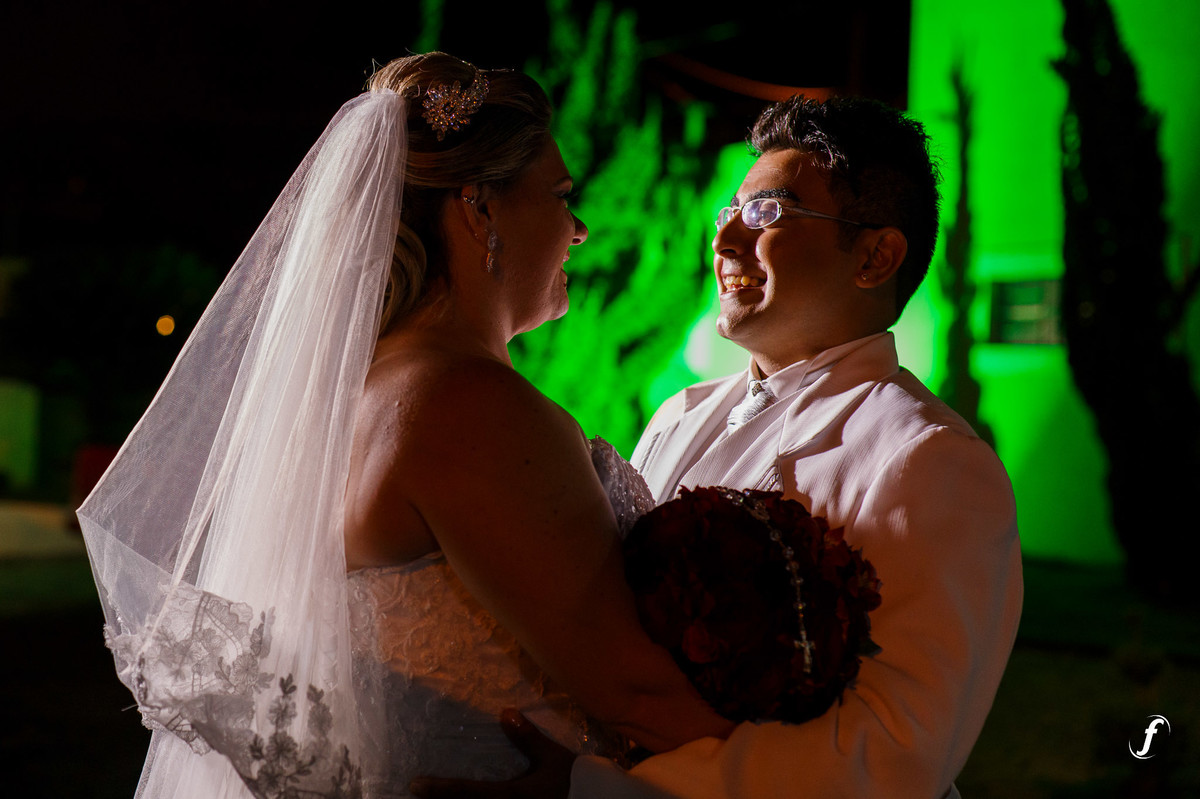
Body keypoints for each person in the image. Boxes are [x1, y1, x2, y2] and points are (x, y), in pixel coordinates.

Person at [79, 52, 731, 799]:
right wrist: (814, 761)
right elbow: (637, 695)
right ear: (479, 209)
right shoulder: (468, 405)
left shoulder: (361, 393)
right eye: (559, 196)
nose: (579, 230)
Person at [418, 96, 1023, 799]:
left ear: (874, 256)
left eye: (767, 214)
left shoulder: (933, 462)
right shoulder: (679, 414)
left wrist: (592, 789)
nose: (726, 238)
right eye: (728, 212)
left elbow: (890, 760)